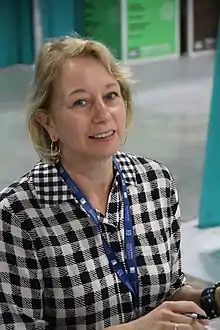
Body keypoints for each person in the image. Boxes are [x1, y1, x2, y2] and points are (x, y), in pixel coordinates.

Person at [0, 36, 219, 330]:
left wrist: (214, 298)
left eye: (111, 96)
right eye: (81, 102)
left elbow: (167, 294)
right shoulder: (18, 215)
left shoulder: (155, 181)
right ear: (48, 122)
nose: (102, 114)